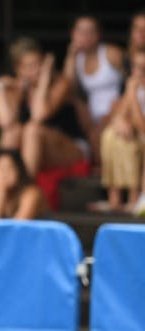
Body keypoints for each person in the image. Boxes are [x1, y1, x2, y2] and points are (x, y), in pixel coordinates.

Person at [0, 37, 87, 178]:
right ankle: (2, 180)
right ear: (19, 71)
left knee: (32, 130)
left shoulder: (61, 84)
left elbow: (38, 114)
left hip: (72, 148)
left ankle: (26, 186)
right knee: (12, 132)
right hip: (35, 150)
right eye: (30, 66)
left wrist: (44, 79)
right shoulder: (18, 90)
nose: (37, 69)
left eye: (40, 63)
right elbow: (5, 122)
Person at [62, 15, 125, 160]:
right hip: (91, 113)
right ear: (73, 34)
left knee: (97, 134)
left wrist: (120, 108)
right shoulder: (77, 58)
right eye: (81, 31)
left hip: (115, 107)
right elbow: (67, 88)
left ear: (98, 35)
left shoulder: (111, 53)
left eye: (90, 31)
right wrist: (71, 56)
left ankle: (103, 170)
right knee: (75, 102)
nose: (85, 36)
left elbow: (131, 79)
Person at [99, 48, 145, 213]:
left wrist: (132, 94)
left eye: (143, 68)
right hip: (134, 134)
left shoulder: (135, 91)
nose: (138, 73)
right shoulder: (134, 87)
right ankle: (115, 197)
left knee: (129, 140)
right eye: (136, 67)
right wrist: (119, 121)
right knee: (111, 134)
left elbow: (142, 126)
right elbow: (119, 114)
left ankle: (134, 197)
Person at [0, 149, 45, 219]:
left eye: (9, 167)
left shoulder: (31, 193)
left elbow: (19, 226)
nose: (4, 173)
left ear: (19, 171)